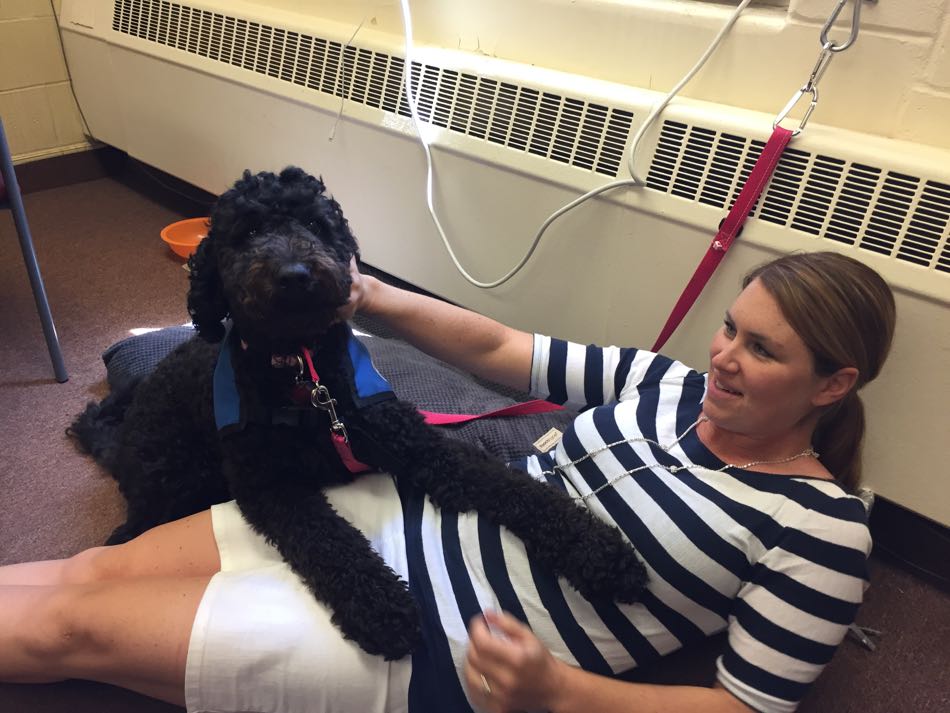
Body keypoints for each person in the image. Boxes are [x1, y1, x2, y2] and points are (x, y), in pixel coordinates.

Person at [0, 250, 895, 713]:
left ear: (833, 384)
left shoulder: (821, 531)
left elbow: (745, 704)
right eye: (731, 328)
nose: (725, 359)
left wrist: (559, 692)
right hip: (398, 508)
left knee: (75, 626)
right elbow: (505, 351)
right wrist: (375, 297)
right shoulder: (668, 383)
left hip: (424, 642)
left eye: (762, 349)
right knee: (94, 571)